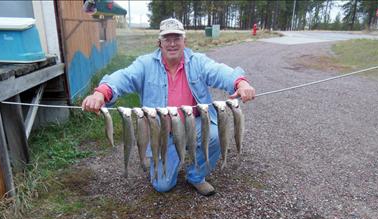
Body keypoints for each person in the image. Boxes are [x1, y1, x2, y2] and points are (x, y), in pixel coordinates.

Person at [82, 18, 256, 196]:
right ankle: (164, 159)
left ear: (184, 41)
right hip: (163, 132)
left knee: (215, 135)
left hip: (194, 124)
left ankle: (196, 176)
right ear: (159, 42)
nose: (172, 43)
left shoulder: (198, 62)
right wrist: (101, 93)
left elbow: (219, 71)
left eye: (177, 38)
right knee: (162, 186)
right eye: (167, 38)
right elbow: (123, 77)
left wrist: (240, 83)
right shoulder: (145, 64)